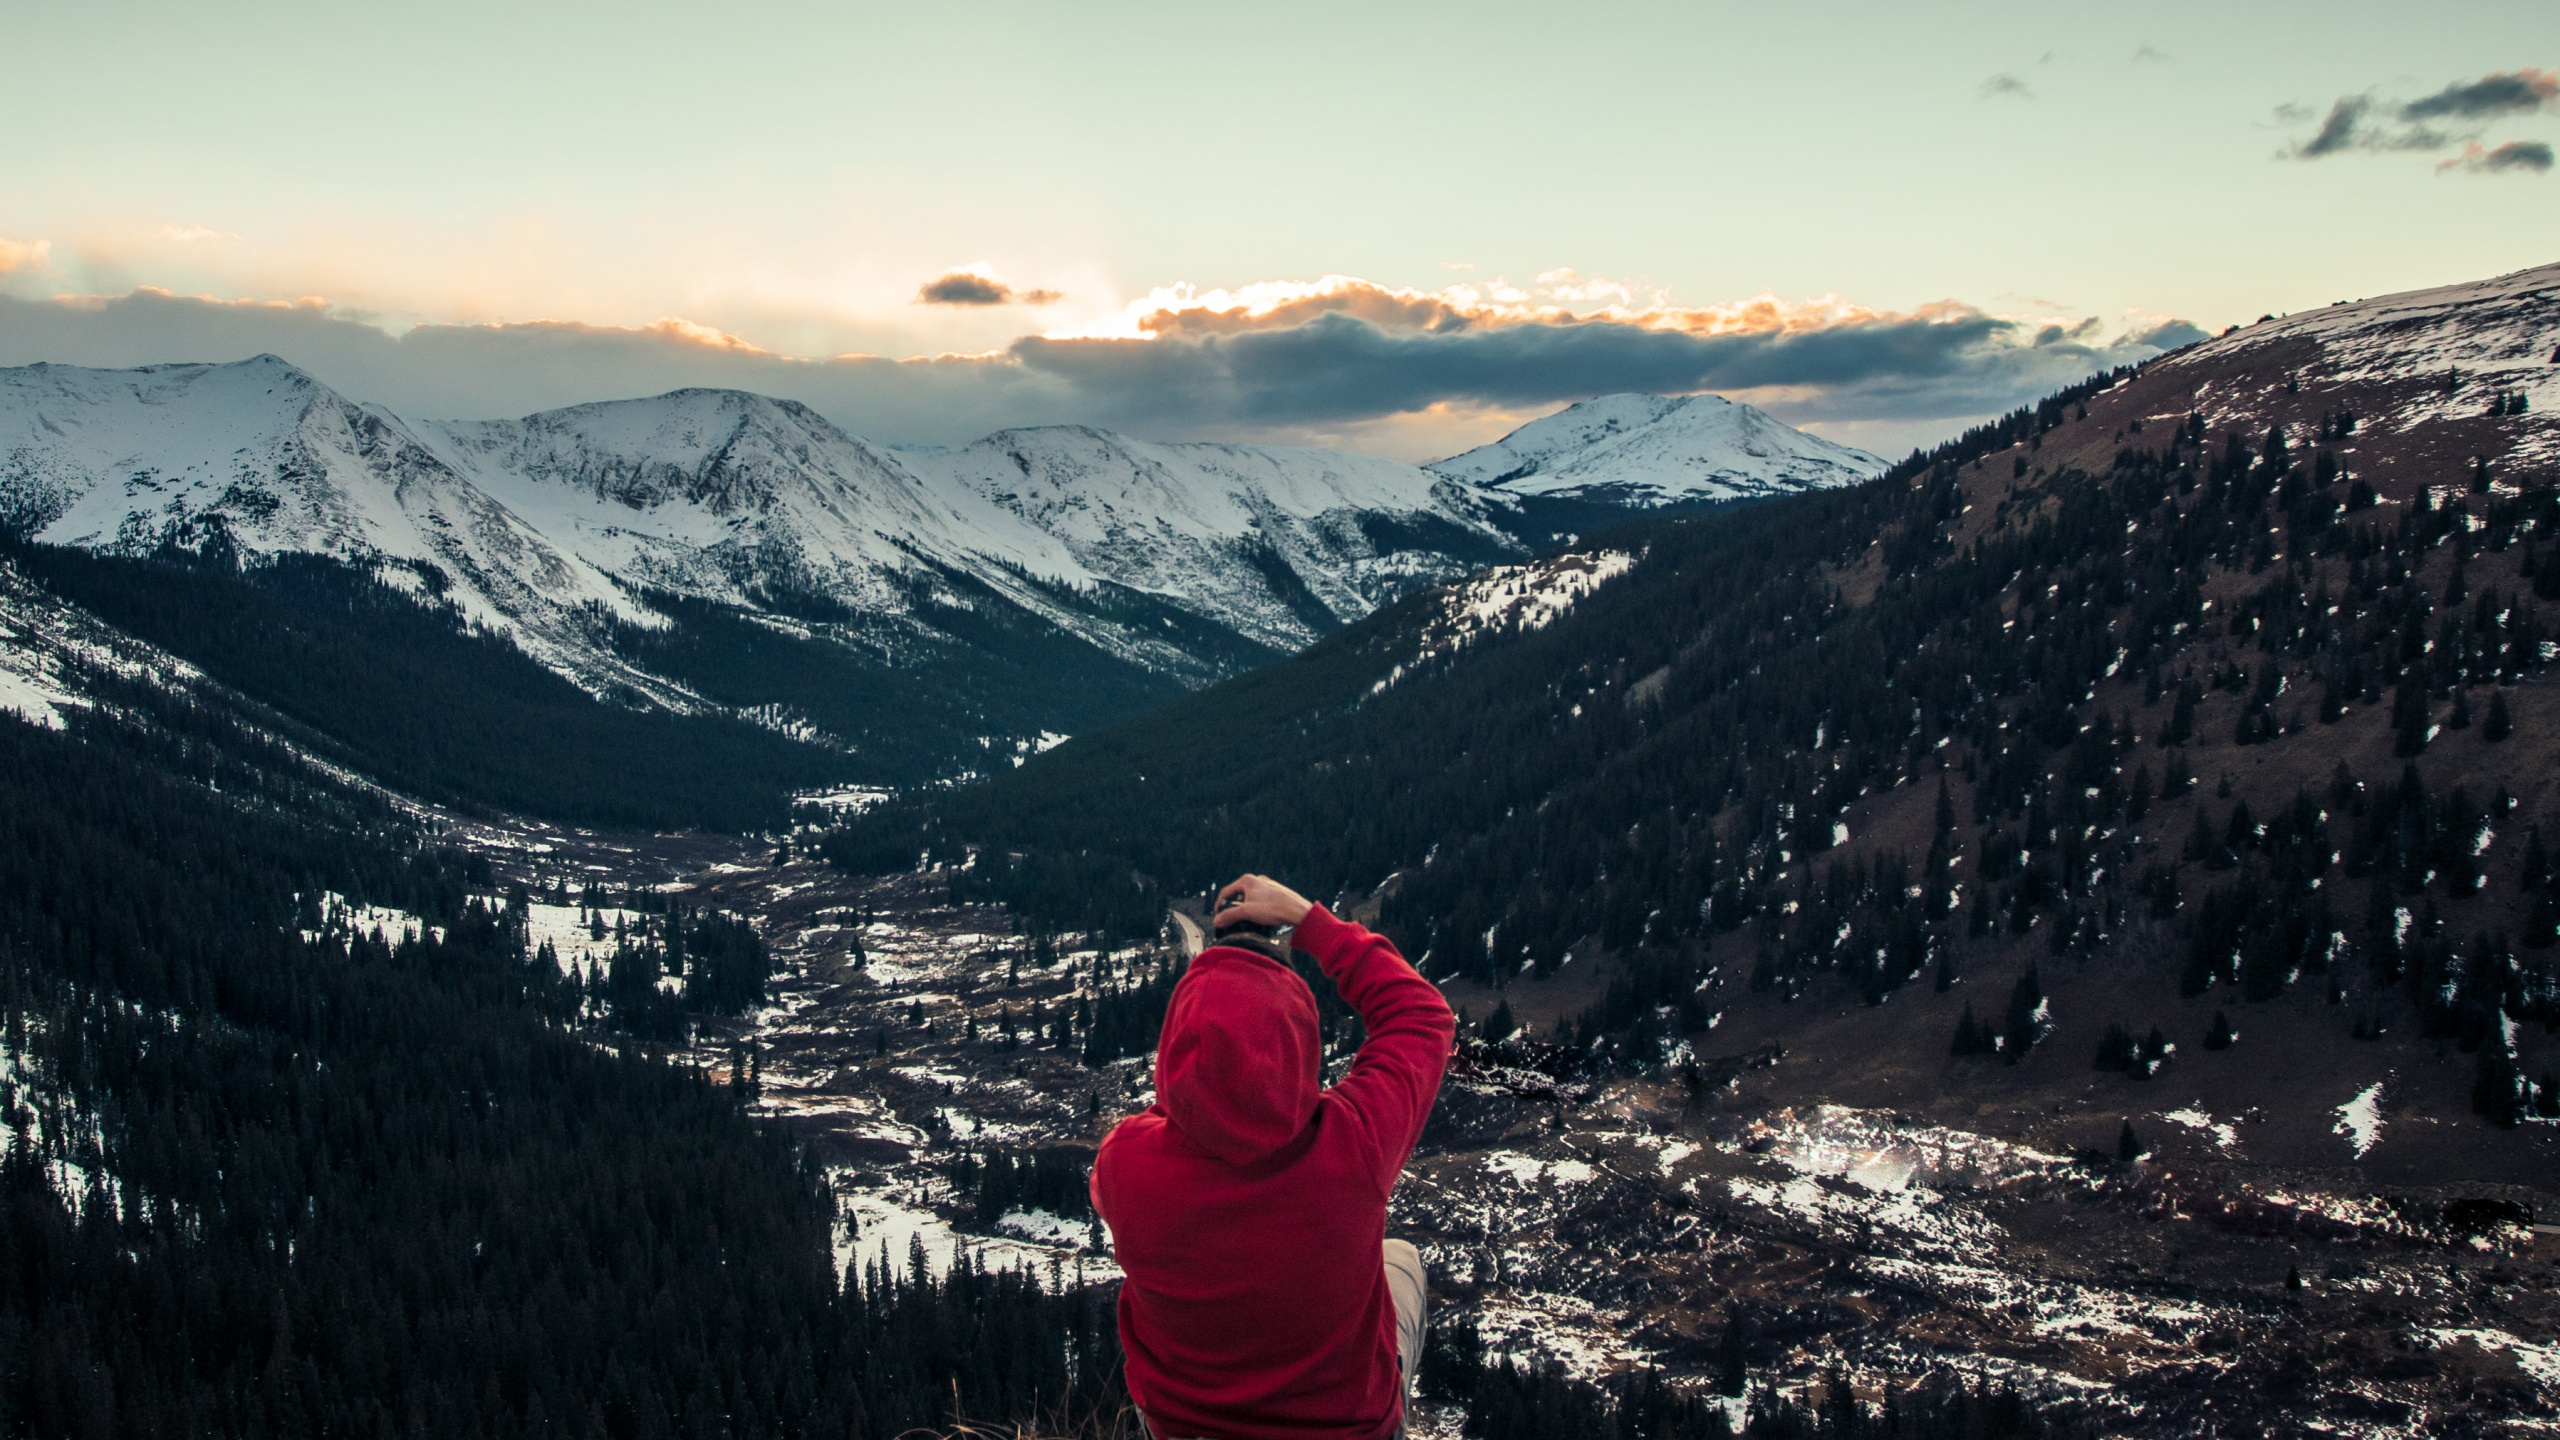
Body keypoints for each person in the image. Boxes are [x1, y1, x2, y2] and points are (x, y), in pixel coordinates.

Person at [1092, 873, 1455, 1440]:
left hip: (1183, 1431)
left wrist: (1194, 1086)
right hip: (1351, 1432)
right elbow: (1422, 1017)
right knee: (1400, 1258)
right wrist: (1311, 920)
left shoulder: (1124, 1166)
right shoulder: (1353, 1142)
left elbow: (1167, 1114)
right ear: (1300, 1044)